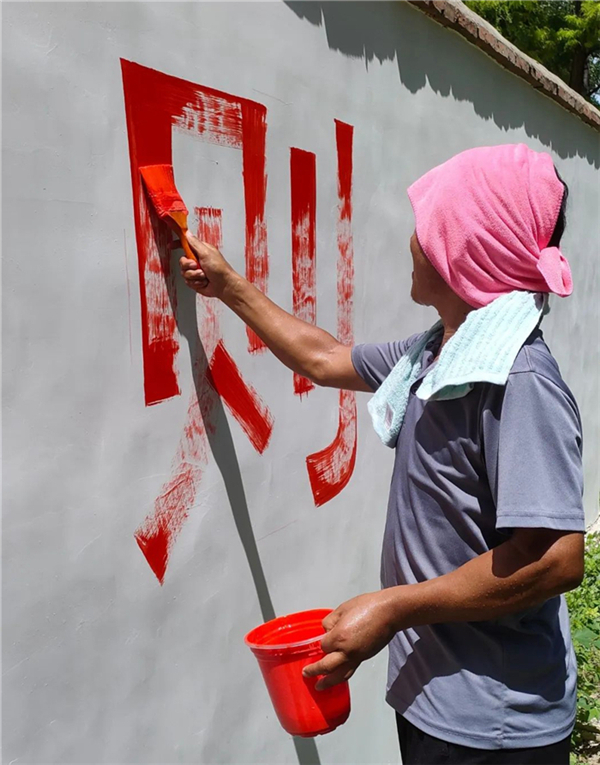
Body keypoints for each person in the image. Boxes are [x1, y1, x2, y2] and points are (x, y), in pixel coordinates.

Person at [178, 144, 585, 764]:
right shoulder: (439, 355)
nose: (412, 242)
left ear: (461, 248)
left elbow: (554, 559)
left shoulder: (518, 379)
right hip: (437, 697)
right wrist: (229, 286)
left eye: (427, 228)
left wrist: (394, 608)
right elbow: (323, 358)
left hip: (492, 726)